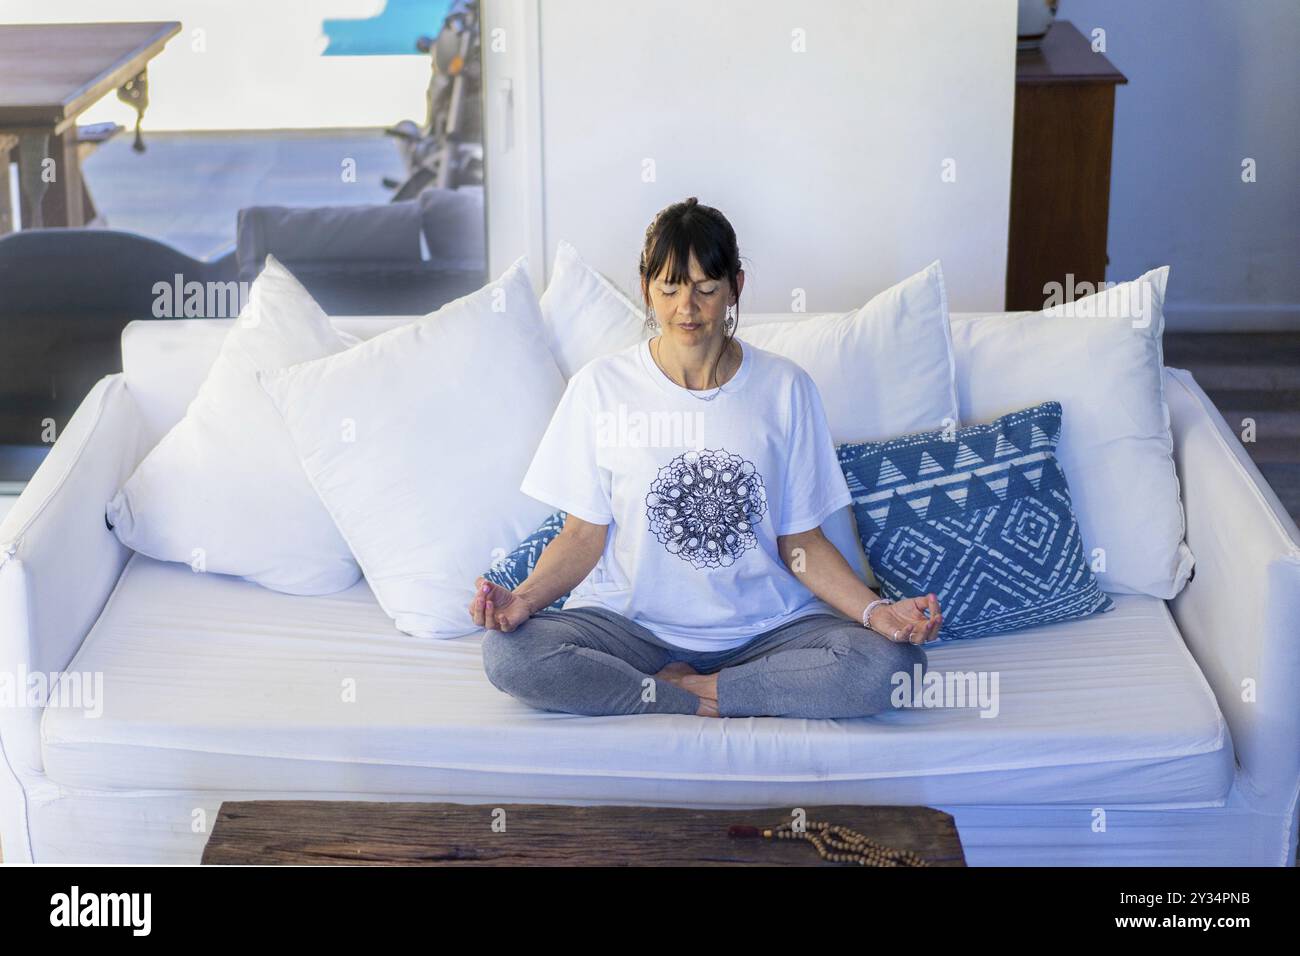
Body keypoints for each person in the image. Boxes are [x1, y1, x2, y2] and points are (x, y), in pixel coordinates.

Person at [471, 197, 941, 718]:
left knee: (894, 666)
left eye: (706, 289)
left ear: (735, 286)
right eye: (669, 289)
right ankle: (703, 692)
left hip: (767, 630)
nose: (685, 309)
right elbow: (582, 536)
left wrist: (878, 614)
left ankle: (685, 689)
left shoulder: (786, 388)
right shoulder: (600, 388)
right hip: (630, 628)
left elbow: (801, 542)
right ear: (647, 286)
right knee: (509, 655)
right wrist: (525, 600)